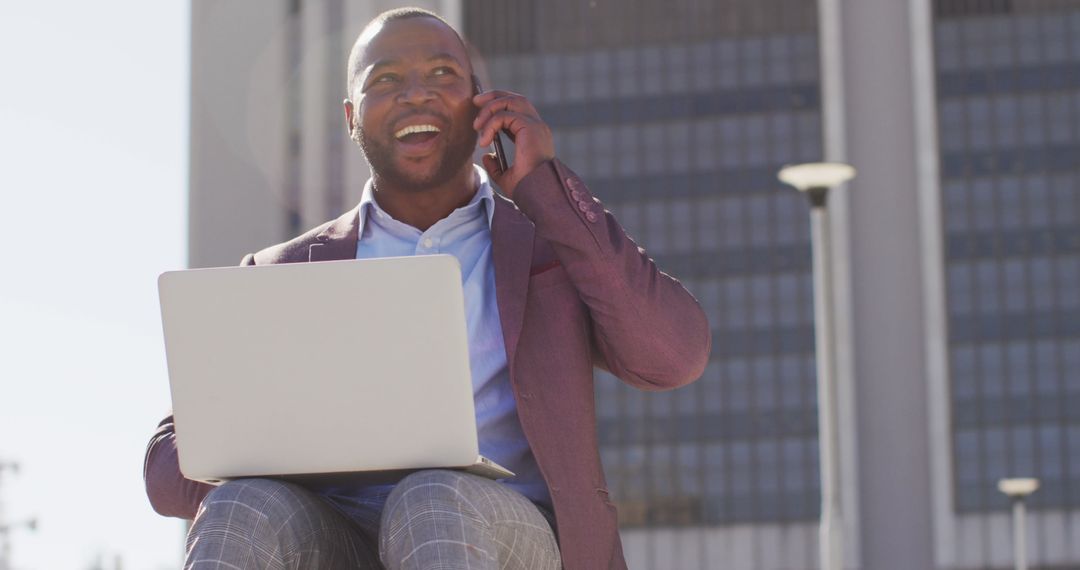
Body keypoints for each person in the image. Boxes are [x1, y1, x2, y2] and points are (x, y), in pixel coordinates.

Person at [144, 7, 710, 570]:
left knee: (430, 497)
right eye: (386, 79)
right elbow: (166, 468)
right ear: (351, 116)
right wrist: (293, 448)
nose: (417, 94)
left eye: (442, 74)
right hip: (335, 535)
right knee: (242, 505)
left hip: (509, 536)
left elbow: (673, 357)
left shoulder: (551, 250)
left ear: (482, 103)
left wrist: (545, 190)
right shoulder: (282, 273)